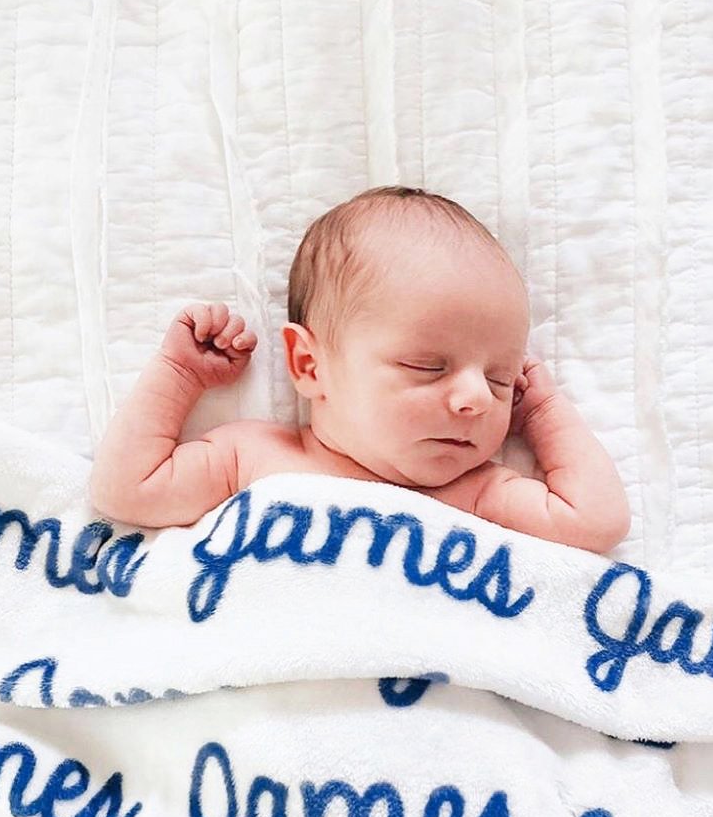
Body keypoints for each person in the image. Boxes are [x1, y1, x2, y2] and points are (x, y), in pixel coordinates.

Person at [90, 186, 630, 552]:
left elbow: (596, 523)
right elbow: (125, 490)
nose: (477, 399)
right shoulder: (252, 457)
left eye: (499, 378)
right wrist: (178, 378)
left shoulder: (477, 492)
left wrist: (545, 411)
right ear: (309, 364)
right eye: (427, 366)